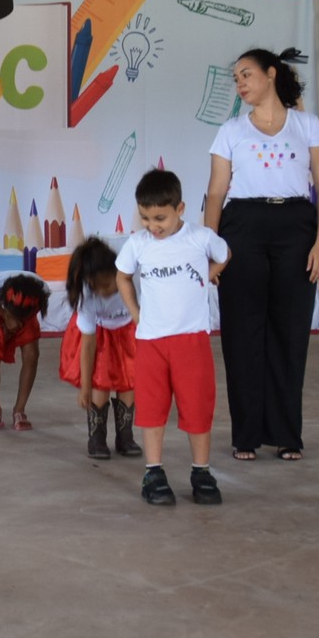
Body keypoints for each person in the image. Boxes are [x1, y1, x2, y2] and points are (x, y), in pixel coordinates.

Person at [202, 47, 319, 461]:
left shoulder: (308, 126)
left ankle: (287, 434)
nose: (240, 84)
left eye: (246, 75)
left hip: (296, 227)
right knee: (242, 335)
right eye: (236, 78)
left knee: (290, 334)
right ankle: (245, 435)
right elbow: (215, 193)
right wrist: (212, 249)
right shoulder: (231, 131)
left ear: (271, 74)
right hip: (242, 228)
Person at [116, 168, 230, 506]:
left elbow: (225, 256)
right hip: (151, 342)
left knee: (196, 405)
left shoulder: (200, 237)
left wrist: (207, 277)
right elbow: (123, 277)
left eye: (160, 218)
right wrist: (137, 315)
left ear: (180, 209)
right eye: (146, 218)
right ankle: (153, 471)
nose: (153, 225)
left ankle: (201, 470)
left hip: (191, 341)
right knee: (151, 409)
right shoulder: (138, 244)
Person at [61, 236, 139, 461]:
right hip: (99, 334)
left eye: (107, 285)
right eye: (97, 287)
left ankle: (126, 436)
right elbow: (88, 346)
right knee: (101, 383)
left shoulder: (134, 274)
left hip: (128, 330)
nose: (103, 292)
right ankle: (96, 438)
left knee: (128, 382)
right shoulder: (87, 295)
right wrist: (85, 388)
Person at [0, 273, 49, 432]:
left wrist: (20, 320)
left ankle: (19, 410)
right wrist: (6, 316)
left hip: (25, 310)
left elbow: (36, 309)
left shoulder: (41, 289)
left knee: (32, 354)